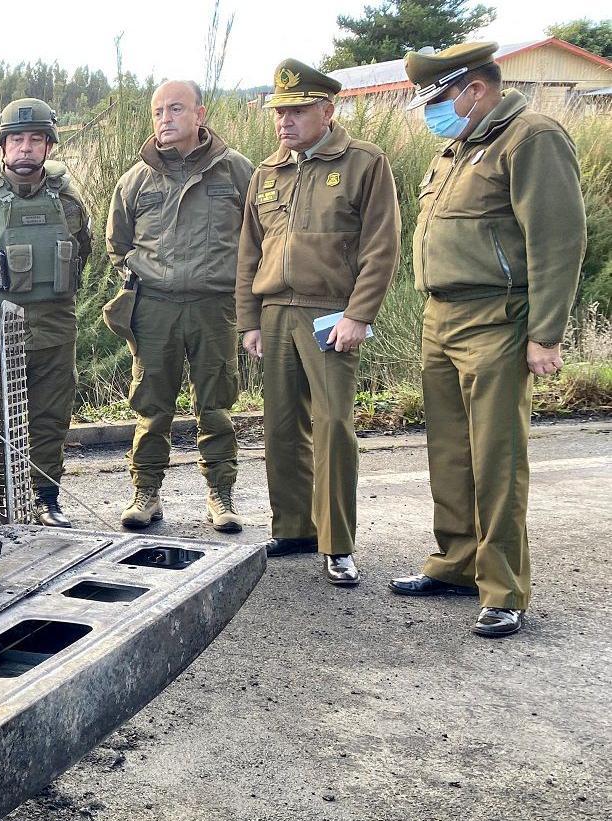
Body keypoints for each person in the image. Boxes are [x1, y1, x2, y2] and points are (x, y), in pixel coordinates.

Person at [388, 42, 586, 638]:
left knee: (496, 458)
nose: (432, 114)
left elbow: (557, 240)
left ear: (475, 89)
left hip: (497, 320)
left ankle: (503, 590)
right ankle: (455, 563)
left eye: (439, 99)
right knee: (449, 451)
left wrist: (545, 334)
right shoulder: (459, 147)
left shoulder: (530, 138)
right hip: (441, 316)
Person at [235, 59, 400, 586]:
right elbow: (248, 253)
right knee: (282, 427)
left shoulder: (363, 163)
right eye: (280, 112)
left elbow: (381, 247)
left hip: (330, 314)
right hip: (276, 311)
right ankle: (294, 527)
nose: (285, 121)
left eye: (297, 111)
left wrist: (359, 315)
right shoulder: (267, 172)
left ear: (327, 111)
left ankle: (337, 542)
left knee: (332, 426)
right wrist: (249, 321)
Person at [0, 98, 94, 527]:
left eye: (36, 139)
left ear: (48, 146)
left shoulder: (69, 204)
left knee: (50, 419)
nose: (26, 148)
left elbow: (84, 254)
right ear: (3, 147)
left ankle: (47, 499)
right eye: (17, 139)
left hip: (55, 332)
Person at [107, 80, 254, 533]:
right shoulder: (135, 180)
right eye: (157, 112)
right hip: (155, 309)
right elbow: (118, 245)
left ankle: (220, 495)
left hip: (215, 307)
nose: (165, 119)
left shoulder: (236, 172)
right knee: (152, 407)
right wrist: (145, 276)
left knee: (216, 405)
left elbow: (259, 235)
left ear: (200, 114)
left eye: (175, 109)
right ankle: (146, 493)